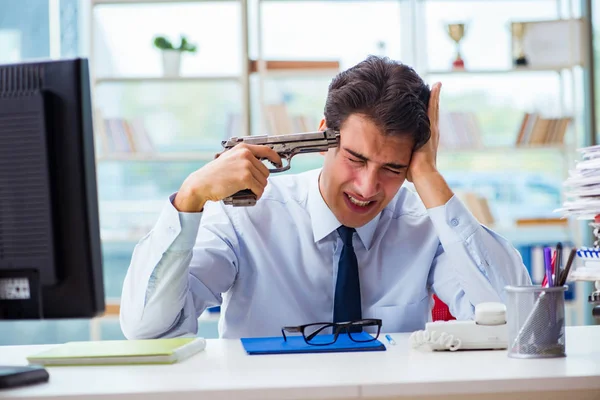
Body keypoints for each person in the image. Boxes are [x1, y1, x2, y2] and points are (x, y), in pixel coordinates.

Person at [119, 55, 531, 340]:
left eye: (393, 168)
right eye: (356, 158)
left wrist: (427, 175)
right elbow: (149, 329)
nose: (368, 188)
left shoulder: (422, 225)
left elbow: (516, 322)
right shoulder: (248, 217)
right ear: (323, 136)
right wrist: (189, 199)